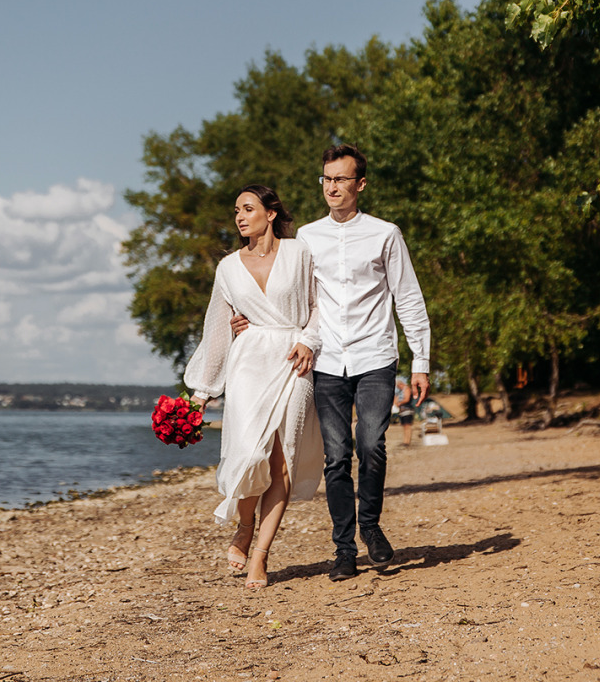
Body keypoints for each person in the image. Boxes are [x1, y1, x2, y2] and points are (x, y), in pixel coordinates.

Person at [232, 144, 432, 581]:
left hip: (375, 355)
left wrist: (421, 361)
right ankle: (344, 549)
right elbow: (292, 295)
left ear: (360, 184)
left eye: (341, 179)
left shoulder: (385, 234)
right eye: (326, 179)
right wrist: (250, 319)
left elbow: (409, 298)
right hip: (325, 360)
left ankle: (371, 528)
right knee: (336, 458)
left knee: (371, 446)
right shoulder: (306, 237)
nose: (332, 187)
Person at [183, 184, 323, 590]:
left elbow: (320, 305)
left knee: (282, 460)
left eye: (248, 208)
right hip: (248, 363)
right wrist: (203, 391)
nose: (240, 216)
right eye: (236, 211)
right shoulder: (227, 267)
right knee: (249, 453)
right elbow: (217, 330)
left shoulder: (299, 252)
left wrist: (309, 340)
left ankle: (261, 554)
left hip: (294, 359)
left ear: (271, 213)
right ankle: (244, 527)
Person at [393, 374, 417, 447]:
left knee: (407, 426)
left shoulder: (406, 389)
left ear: (400, 384)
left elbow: (406, 399)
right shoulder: (400, 391)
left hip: (407, 410)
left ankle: (407, 442)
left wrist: (399, 403)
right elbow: (395, 399)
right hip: (402, 411)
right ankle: (405, 441)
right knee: (404, 426)